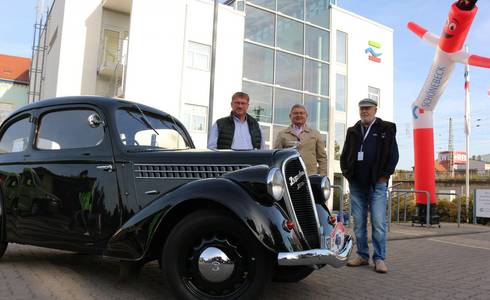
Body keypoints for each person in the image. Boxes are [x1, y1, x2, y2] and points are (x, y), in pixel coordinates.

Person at [340, 98, 399, 273]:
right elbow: (344, 155)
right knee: (358, 222)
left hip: (377, 184)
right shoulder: (352, 131)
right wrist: (347, 173)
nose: (364, 111)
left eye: (368, 108)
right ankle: (362, 256)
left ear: (375, 110)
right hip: (356, 184)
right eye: (362, 108)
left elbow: (393, 155)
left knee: (378, 222)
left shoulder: (386, 128)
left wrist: (384, 176)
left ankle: (379, 258)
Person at [274, 104, 327, 176]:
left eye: (301, 113)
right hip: (289, 177)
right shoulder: (282, 134)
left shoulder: (315, 134)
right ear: (290, 116)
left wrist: (322, 176)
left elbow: (322, 158)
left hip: (310, 176)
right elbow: (277, 157)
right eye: (295, 113)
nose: (299, 115)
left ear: (306, 116)